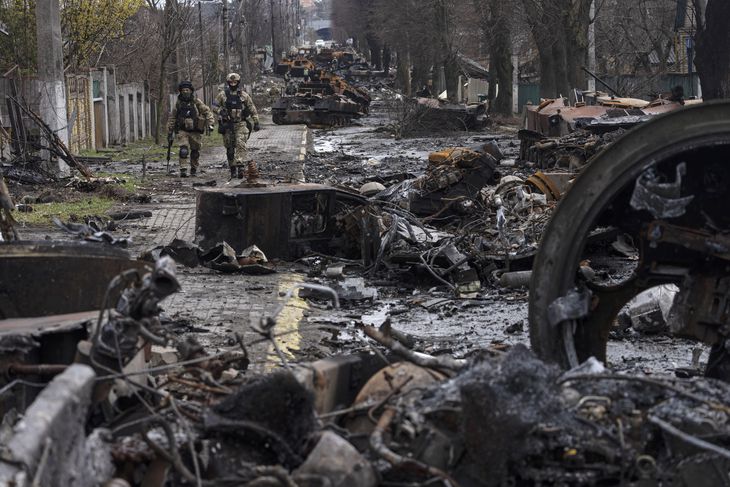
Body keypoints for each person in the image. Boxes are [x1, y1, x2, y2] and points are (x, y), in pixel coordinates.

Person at [214, 72, 261, 179]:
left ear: (238, 82)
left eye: (235, 82)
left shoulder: (244, 95)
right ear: (228, 82)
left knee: (241, 144)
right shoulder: (222, 95)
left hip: (241, 124)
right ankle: (233, 169)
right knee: (230, 149)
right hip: (227, 125)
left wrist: (256, 122)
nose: (233, 84)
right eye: (231, 82)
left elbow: (252, 108)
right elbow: (214, 106)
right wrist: (221, 111)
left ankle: (240, 166)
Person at [167, 80, 215, 177]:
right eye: (183, 90)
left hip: (195, 131)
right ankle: (183, 169)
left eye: (187, 90)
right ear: (181, 91)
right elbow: (173, 117)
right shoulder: (178, 103)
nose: (185, 92)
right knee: (183, 150)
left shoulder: (196, 102)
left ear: (191, 91)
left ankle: (194, 168)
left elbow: (207, 112)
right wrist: (170, 129)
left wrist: (211, 123)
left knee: (195, 151)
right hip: (182, 130)